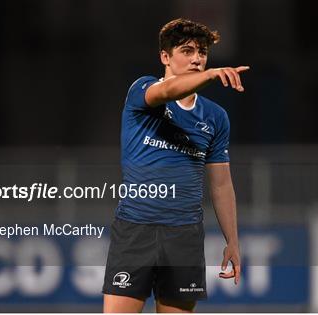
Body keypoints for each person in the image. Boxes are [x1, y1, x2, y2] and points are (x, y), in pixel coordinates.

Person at [102, 18, 249, 313]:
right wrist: (210, 76)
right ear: (165, 57)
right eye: (187, 50)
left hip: (184, 236)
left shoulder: (215, 117)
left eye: (203, 52)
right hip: (136, 229)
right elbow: (169, 91)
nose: (197, 58)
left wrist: (232, 240)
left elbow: (221, 184)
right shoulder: (143, 91)